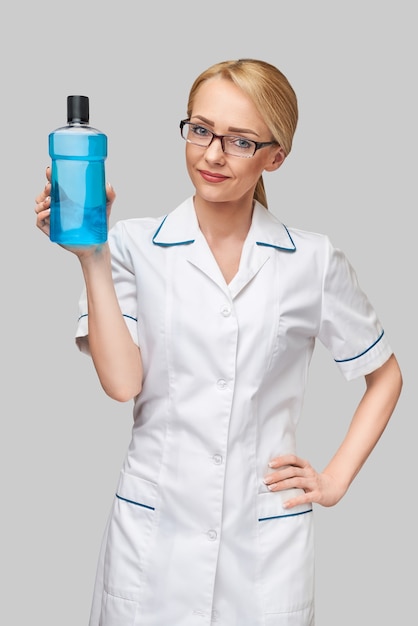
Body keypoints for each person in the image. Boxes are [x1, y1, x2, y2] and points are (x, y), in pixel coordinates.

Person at [35, 58, 402, 626]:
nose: (212, 154)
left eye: (239, 140)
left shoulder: (311, 260)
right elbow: (122, 383)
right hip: (153, 541)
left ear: (275, 156)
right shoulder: (131, 244)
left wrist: (332, 481)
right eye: (201, 130)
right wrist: (93, 256)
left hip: (264, 550)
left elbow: (386, 375)